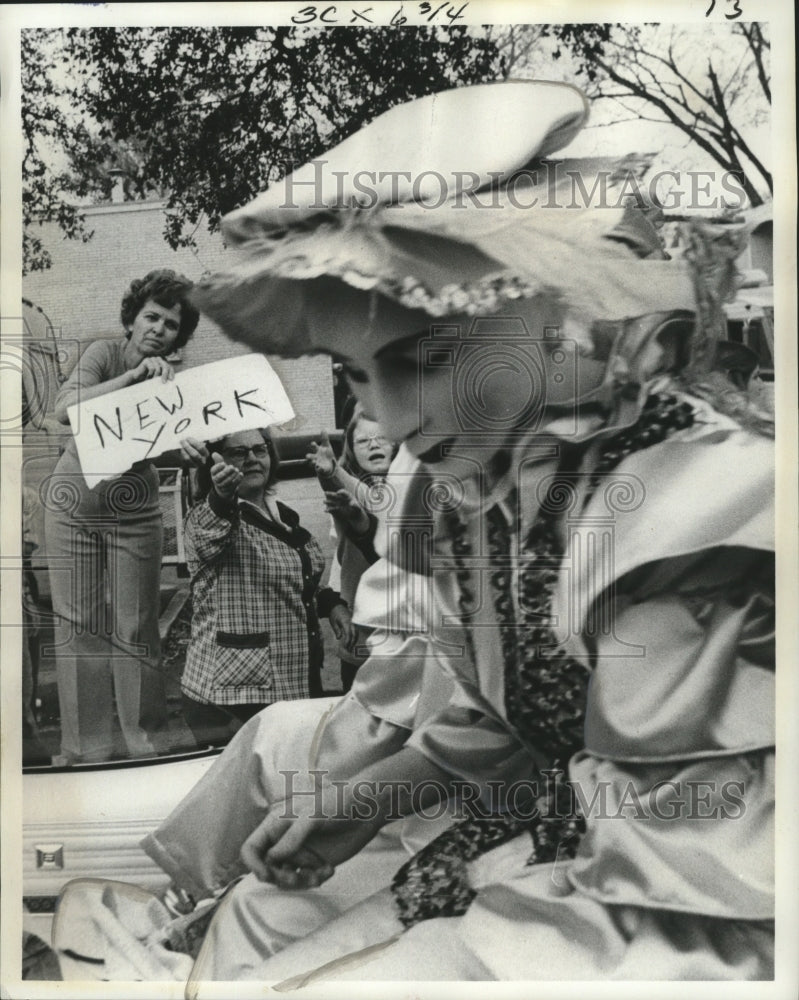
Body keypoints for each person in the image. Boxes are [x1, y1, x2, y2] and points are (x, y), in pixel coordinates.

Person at [56, 80, 774, 983]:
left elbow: (688, 882)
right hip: (564, 848)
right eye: (356, 376)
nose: (391, 417)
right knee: (256, 923)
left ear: (547, 316)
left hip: (707, 916)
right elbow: (507, 716)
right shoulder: (493, 494)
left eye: (424, 361)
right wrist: (361, 801)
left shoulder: (700, 507)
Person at [43, 269, 199, 763]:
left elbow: (170, 439)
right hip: (76, 501)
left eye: (171, 325)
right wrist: (131, 378)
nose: (158, 329)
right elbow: (66, 409)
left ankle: (144, 743)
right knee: (79, 624)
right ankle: (85, 748)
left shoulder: (173, 379)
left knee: (136, 625)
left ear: (179, 336)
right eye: (151, 316)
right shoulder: (104, 353)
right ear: (132, 320)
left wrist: (189, 448)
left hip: (134, 505)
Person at [177, 428, 356, 746]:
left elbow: (297, 582)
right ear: (218, 463)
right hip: (232, 702)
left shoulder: (284, 516)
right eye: (238, 452)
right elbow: (209, 534)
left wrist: (330, 603)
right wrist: (221, 495)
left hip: (292, 687)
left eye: (259, 449)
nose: (251, 458)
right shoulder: (209, 516)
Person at [306, 409, 399, 690]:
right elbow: (359, 496)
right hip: (362, 643)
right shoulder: (347, 499)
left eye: (382, 436)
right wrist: (330, 474)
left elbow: (375, 505)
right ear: (351, 450)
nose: (373, 444)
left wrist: (335, 473)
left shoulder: (414, 488)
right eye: (363, 441)